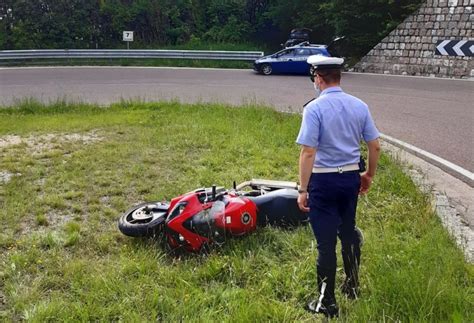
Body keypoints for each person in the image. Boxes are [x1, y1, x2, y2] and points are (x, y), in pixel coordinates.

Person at [296, 55, 381, 318]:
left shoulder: (314, 109)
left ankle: (327, 301)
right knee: (347, 232)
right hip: (349, 179)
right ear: (339, 77)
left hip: (323, 180)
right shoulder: (360, 106)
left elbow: (309, 152)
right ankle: (352, 285)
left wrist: (302, 189)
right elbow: (374, 144)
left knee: (325, 244)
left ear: (318, 78)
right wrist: (368, 175)